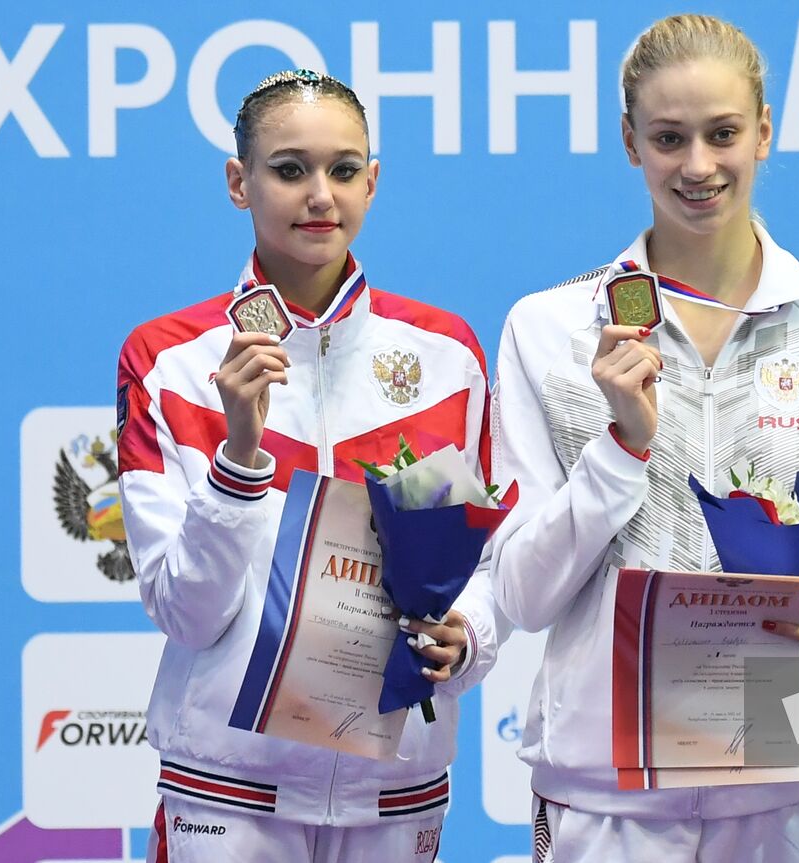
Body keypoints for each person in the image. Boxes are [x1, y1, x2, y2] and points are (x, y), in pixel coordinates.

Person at [488, 14, 799, 862]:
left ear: (764, 131)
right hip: (606, 798)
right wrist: (620, 450)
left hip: (786, 783)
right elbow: (522, 594)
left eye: (722, 134)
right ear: (629, 141)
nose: (698, 166)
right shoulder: (551, 329)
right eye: (669, 138)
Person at [117, 69, 508, 862]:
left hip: (395, 790)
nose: (320, 194)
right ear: (239, 182)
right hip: (227, 791)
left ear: (374, 180)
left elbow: (488, 566)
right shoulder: (169, 361)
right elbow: (187, 612)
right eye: (289, 169)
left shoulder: (445, 356)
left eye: (343, 168)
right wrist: (237, 456)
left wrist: (469, 642)